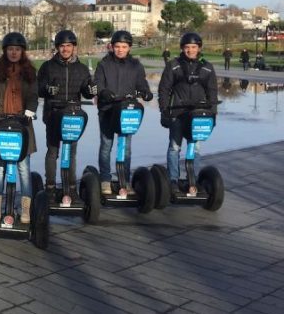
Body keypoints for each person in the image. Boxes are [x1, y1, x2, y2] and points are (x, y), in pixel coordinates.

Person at [0, 32, 39, 223]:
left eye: (17, 49)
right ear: (5, 51)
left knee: (24, 168)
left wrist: (31, 110)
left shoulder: (30, 72)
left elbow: (33, 94)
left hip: (23, 123)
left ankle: (25, 209)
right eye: (10, 49)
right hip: (1, 122)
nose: (13, 53)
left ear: (22, 51)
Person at [37, 29, 97, 199]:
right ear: (57, 47)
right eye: (62, 46)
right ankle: (49, 187)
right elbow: (38, 89)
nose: (65, 49)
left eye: (68, 46)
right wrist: (47, 90)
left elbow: (87, 93)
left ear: (74, 47)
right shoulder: (47, 67)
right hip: (53, 114)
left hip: (73, 115)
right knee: (53, 152)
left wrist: (91, 90)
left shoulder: (82, 69)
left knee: (71, 152)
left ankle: (71, 188)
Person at [93, 30, 153, 195]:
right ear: (112, 46)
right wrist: (102, 92)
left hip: (127, 111)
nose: (120, 50)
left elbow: (141, 83)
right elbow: (96, 83)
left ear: (129, 48)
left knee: (125, 147)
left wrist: (146, 92)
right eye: (117, 46)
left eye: (124, 47)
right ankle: (105, 179)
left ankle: (124, 180)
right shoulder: (104, 64)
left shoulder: (136, 65)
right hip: (107, 109)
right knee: (106, 145)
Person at [158, 32, 218, 194]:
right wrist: (164, 111)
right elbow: (164, 89)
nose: (190, 50)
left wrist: (213, 115)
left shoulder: (207, 67)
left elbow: (212, 93)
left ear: (199, 48)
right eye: (187, 47)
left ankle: (193, 180)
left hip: (198, 114)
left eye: (193, 47)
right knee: (174, 147)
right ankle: (173, 180)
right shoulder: (173, 65)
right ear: (182, 48)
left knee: (195, 148)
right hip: (177, 113)